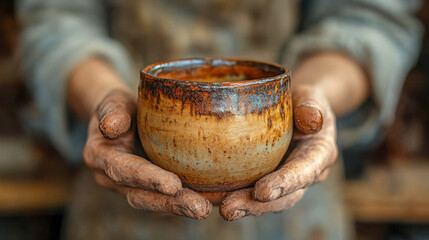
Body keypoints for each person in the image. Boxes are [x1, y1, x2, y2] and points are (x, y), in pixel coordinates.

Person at [17, 0, 422, 239]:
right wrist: (103, 98)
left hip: (296, 209)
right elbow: (56, 18)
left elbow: (367, 17)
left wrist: (316, 95)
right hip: (119, 202)